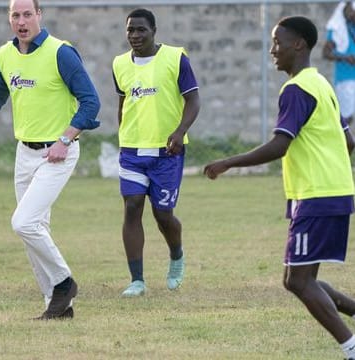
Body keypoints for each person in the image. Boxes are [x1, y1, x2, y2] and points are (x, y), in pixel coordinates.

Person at [204, 16, 355, 359]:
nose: (272, 50)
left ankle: (351, 347)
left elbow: (279, 145)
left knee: (300, 282)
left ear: (298, 44)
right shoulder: (322, 85)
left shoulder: (297, 89)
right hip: (334, 190)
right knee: (297, 279)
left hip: (316, 195)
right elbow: (348, 141)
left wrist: (228, 162)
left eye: (277, 42)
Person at [0, 0, 100, 320]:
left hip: (57, 153)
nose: (22, 21)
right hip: (25, 153)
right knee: (33, 230)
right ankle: (57, 305)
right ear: (9, 19)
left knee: (23, 222)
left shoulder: (61, 52)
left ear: (39, 16)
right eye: (15, 15)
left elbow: (91, 103)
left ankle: (64, 282)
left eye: (27, 14)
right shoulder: (5, 56)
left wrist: (65, 139)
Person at [112, 8, 200, 297]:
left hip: (167, 150)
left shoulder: (176, 58)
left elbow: (193, 101)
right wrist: (123, 135)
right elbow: (123, 103)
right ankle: (137, 280)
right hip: (132, 150)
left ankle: (176, 255)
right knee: (132, 207)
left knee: (163, 214)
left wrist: (179, 132)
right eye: (130, 31)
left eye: (141, 30)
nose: (135, 36)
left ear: (154, 31)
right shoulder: (120, 64)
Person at [323, 1, 355, 124]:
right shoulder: (337, 28)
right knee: (345, 117)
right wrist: (345, 58)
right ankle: (340, 142)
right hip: (346, 79)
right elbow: (325, 53)